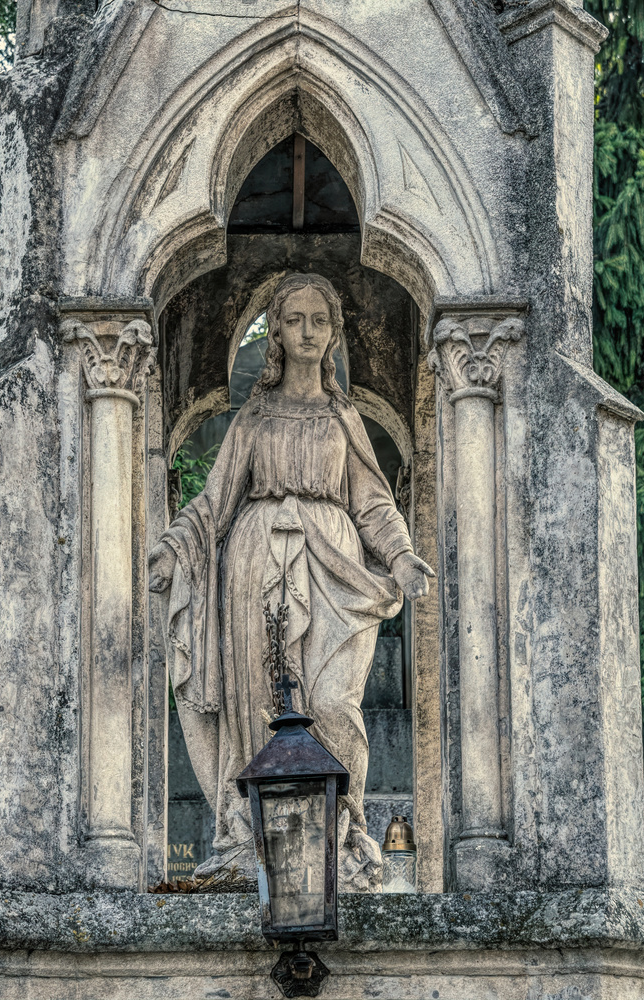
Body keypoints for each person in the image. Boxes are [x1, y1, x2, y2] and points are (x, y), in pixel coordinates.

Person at [148, 273, 434, 886]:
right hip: (254, 569)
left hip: (334, 566)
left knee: (332, 703)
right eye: (296, 319)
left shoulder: (342, 419)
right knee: (262, 707)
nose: (308, 331)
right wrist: (174, 549)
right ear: (275, 329)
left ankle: (343, 832)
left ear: (334, 334)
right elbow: (213, 503)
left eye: (320, 320)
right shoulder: (254, 419)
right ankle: (258, 841)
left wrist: (402, 555)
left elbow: (374, 503)